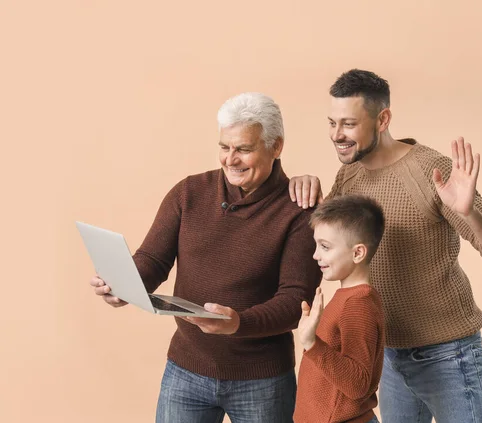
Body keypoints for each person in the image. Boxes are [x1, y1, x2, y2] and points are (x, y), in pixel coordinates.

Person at [289, 69, 482, 423]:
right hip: (388, 358)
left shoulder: (431, 170)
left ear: (382, 119)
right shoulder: (349, 176)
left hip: (448, 356)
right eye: (332, 123)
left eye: (349, 124)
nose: (337, 135)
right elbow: (327, 242)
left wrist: (469, 213)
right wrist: (305, 188)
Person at [89, 92, 322, 423]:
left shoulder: (298, 211)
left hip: (263, 381)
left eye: (243, 149)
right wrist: (123, 285)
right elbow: (153, 260)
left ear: (276, 146)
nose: (230, 159)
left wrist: (237, 322)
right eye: (224, 147)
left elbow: (295, 301)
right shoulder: (188, 192)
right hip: (185, 370)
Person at [294, 194, 386, 423]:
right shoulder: (348, 297)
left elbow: (357, 385)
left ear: (357, 253)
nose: (316, 255)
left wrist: (311, 343)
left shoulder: (358, 304)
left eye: (325, 247)